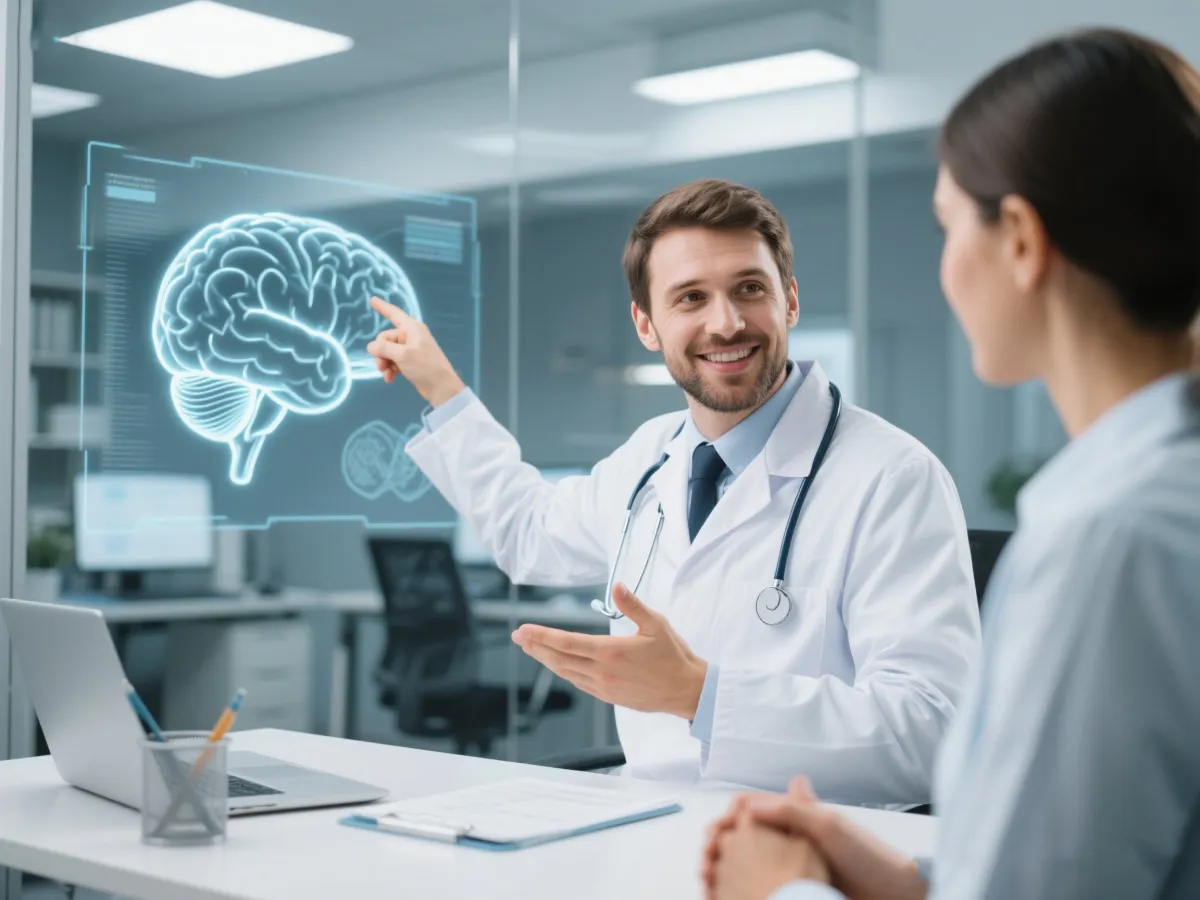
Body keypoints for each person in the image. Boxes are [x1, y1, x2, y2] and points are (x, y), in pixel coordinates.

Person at [703, 27, 1200, 900]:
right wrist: (909, 881)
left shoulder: (1112, 539)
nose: (944, 267)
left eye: (947, 225)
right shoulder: (1159, 494)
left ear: (1021, 240)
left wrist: (783, 889)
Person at [366, 179, 981, 805]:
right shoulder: (650, 456)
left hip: (806, 841)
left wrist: (698, 694)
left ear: (790, 300)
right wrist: (442, 389)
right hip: (644, 822)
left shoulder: (892, 477)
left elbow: (935, 732)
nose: (726, 323)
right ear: (646, 324)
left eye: (750, 288)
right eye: (691, 298)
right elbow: (529, 533)